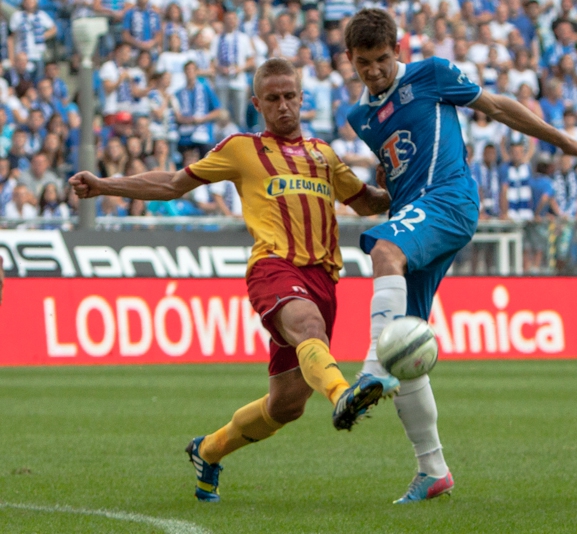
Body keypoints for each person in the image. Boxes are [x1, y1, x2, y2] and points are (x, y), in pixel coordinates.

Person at [68, 57, 400, 503]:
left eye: (289, 97)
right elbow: (171, 185)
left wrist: (394, 184)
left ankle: (207, 450)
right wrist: (105, 185)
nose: (283, 106)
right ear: (257, 104)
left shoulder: (325, 156)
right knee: (308, 328)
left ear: (302, 98)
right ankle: (344, 393)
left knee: (286, 406)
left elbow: (365, 203)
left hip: (323, 279)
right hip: (274, 268)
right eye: (273, 99)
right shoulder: (242, 148)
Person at [344, 8, 577, 503]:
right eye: (363, 63)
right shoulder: (360, 117)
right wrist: (375, 193)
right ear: (349, 60)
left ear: (397, 52)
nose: (373, 70)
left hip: (449, 199)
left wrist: (566, 141)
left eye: (380, 60)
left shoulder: (431, 74)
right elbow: (396, 171)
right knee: (406, 344)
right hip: (415, 210)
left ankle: (371, 368)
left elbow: (499, 107)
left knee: (385, 249)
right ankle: (432, 470)